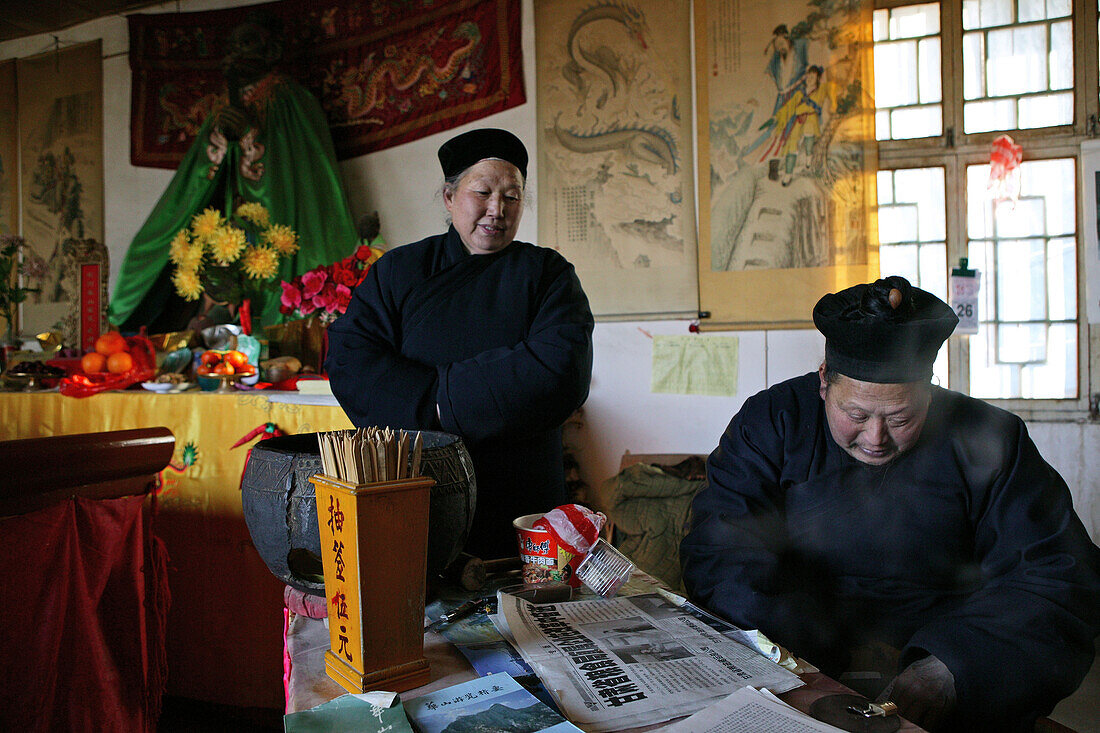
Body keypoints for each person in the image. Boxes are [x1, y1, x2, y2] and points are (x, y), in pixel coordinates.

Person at [680, 276, 1100, 732]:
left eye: (901, 418)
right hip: (797, 661)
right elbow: (722, 553)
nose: (876, 439)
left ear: (930, 390)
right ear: (824, 381)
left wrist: (952, 666)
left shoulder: (991, 438)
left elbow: (1058, 574)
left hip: (953, 669)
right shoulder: (773, 421)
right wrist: (802, 665)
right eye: (856, 415)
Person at [325, 128, 594, 560]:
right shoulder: (400, 270)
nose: (496, 210)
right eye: (483, 192)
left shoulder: (547, 273)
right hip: (417, 483)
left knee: (520, 612)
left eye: (511, 196)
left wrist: (438, 404)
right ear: (449, 198)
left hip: (519, 491)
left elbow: (560, 369)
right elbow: (350, 361)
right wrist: (433, 404)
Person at [109, 10, 359, 333]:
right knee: (157, 251)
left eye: (248, 43)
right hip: (232, 229)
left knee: (279, 285)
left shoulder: (290, 100)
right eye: (234, 45)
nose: (237, 53)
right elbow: (199, 174)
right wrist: (221, 145)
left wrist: (250, 132)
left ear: (270, 50)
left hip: (282, 224)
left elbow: (306, 175)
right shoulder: (225, 105)